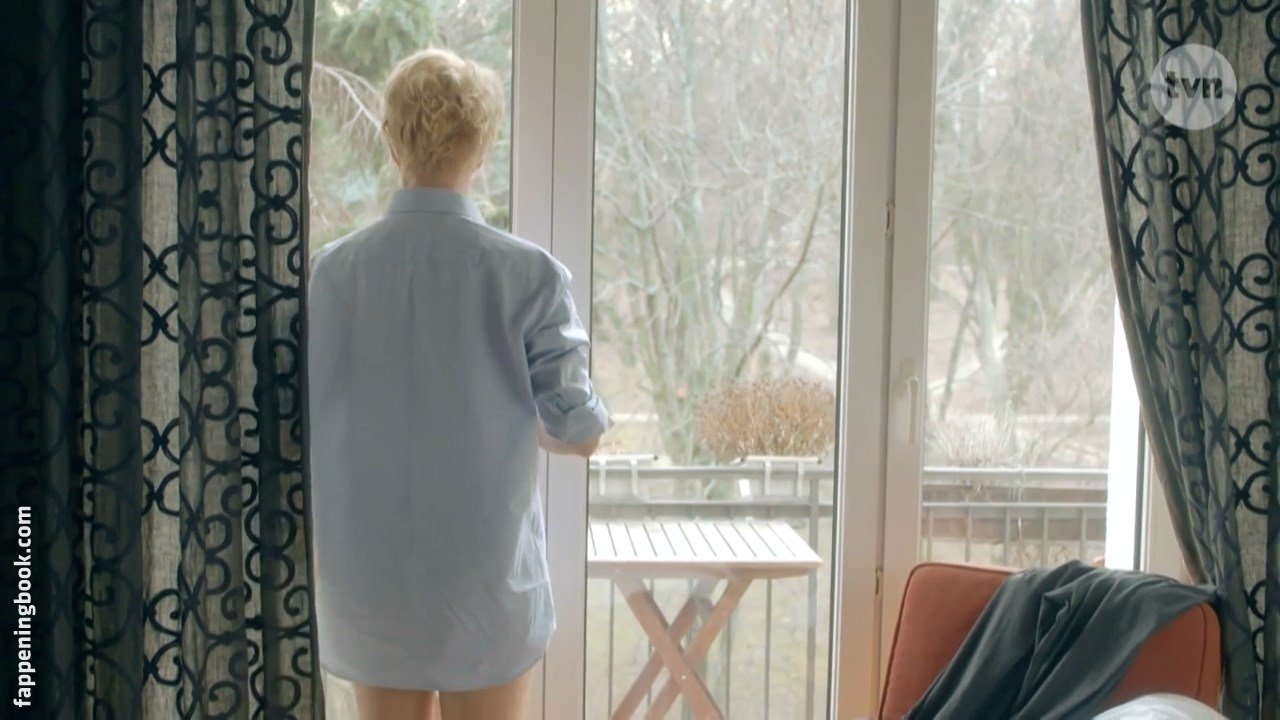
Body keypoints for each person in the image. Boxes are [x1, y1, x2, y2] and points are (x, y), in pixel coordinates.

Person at [307, 48, 610, 720]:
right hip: (486, 589)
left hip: (371, 587)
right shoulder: (529, 275)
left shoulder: (329, 275)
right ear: (483, 147)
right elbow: (579, 431)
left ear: (392, 142)